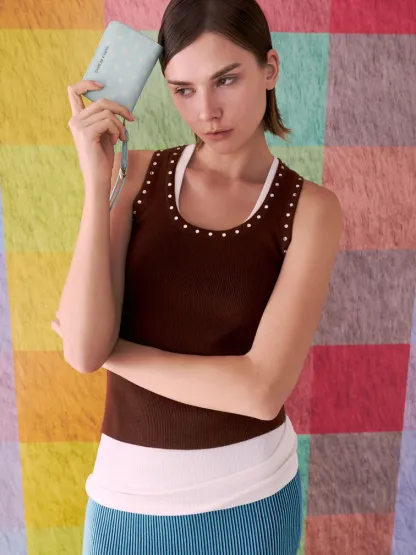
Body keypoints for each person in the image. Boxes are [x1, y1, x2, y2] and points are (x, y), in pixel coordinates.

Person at [54, 0, 342, 553]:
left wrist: (116, 353)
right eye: (183, 89)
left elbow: (260, 391)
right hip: (122, 502)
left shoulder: (310, 210)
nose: (207, 110)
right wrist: (97, 182)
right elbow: (83, 349)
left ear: (270, 69)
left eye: (226, 79)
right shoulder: (134, 176)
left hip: (251, 504)